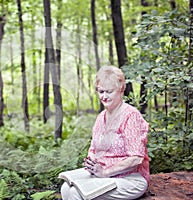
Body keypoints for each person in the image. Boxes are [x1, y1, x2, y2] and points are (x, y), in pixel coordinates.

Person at [60, 66, 150, 199]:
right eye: (101, 91)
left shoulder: (130, 115)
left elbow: (136, 158)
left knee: (75, 194)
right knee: (66, 188)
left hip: (130, 178)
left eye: (109, 92)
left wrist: (106, 172)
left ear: (121, 90)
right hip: (102, 174)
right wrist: (92, 163)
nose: (104, 96)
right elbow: (93, 148)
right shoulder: (101, 117)